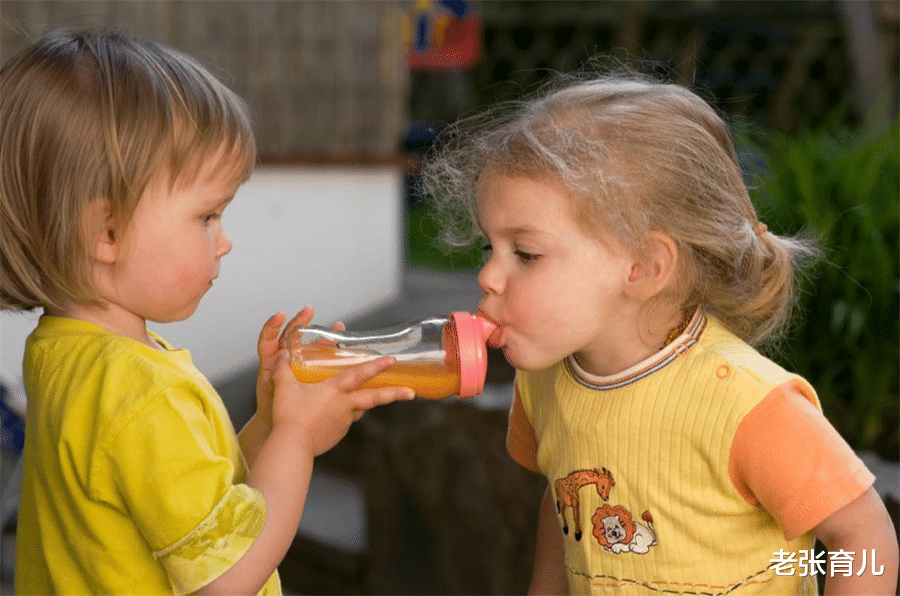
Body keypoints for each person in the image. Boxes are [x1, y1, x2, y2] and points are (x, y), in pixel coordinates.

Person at [420, 71, 899, 594]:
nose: (487, 276)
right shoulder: (545, 385)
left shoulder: (746, 405)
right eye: (490, 248)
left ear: (645, 267)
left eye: (526, 254)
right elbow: (567, 510)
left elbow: (863, 535)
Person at [0, 28, 414, 595]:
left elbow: (185, 508)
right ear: (107, 231)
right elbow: (226, 578)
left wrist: (267, 423)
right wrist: (296, 439)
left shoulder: (65, 351)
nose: (224, 241)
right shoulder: (142, 391)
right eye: (207, 217)